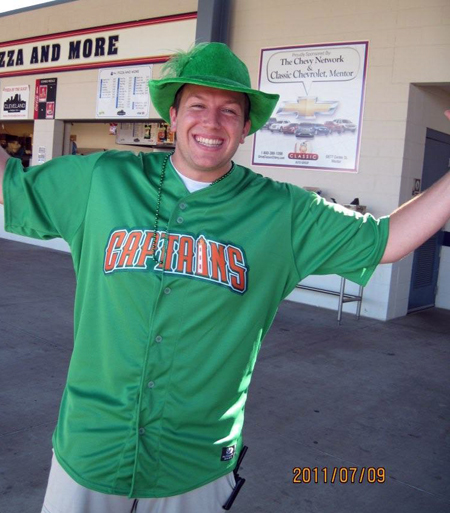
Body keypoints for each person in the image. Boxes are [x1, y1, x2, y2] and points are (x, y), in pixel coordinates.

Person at [0, 42, 449, 513]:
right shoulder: (103, 179)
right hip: (90, 446)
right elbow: (10, 183)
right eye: (197, 106)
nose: (212, 122)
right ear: (172, 116)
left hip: (193, 461)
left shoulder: (281, 211)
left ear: (246, 126)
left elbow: (387, 239)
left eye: (229, 111)